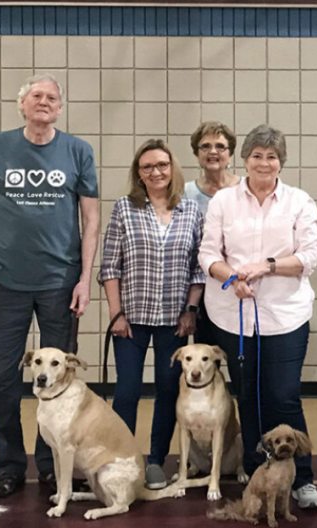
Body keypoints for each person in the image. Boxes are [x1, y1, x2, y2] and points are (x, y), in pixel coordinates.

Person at [0, 73, 100, 499]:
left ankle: (52, 463)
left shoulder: (78, 151)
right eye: (36, 96)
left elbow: (91, 219)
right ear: (22, 105)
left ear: (60, 108)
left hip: (60, 284)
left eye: (52, 98)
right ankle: (9, 465)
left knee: (61, 382)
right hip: (5, 282)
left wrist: (84, 279)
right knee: (3, 379)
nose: (44, 102)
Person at [199, 124, 317, 509]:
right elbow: (207, 255)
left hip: (285, 316)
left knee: (283, 397)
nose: (263, 162)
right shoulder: (223, 201)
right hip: (232, 316)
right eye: (256, 155)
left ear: (280, 162)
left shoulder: (299, 202)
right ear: (245, 159)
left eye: (271, 156)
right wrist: (231, 276)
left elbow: (308, 258)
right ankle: (257, 472)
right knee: (248, 396)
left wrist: (267, 266)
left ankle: (302, 479)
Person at [98, 139, 204, 490]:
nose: (155, 172)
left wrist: (191, 309)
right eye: (147, 167)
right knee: (127, 391)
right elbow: (110, 266)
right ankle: (124, 459)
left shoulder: (191, 211)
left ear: (172, 169)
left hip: (174, 322)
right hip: (132, 318)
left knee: (167, 390)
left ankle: (157, 460)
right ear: (138, 174)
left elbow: (197, 269)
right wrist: (117, 314)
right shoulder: (124, 209)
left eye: (162, 165)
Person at [183, 121, 240, 347]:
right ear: (197, 153)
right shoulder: (184, 193)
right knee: (205, 354)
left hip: (238, 283)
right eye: (205, 146)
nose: (213, 152)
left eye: (220, 146)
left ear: (231, 153)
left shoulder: (245, 189)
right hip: (201, 286)